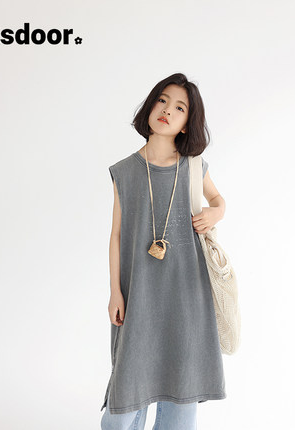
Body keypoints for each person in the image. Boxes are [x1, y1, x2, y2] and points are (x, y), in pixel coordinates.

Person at [100, 72, 227, 429]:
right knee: (127, 393)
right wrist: (115, 292)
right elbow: (116, 235)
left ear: (187, 123)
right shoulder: (125, 171)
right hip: (139, 294)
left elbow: (219, 200)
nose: (168, 110)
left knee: (182, 390)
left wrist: (215, 212)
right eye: (162, 100)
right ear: (150, 106)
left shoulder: (194, 166)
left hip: (188, 294)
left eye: (180, 107)